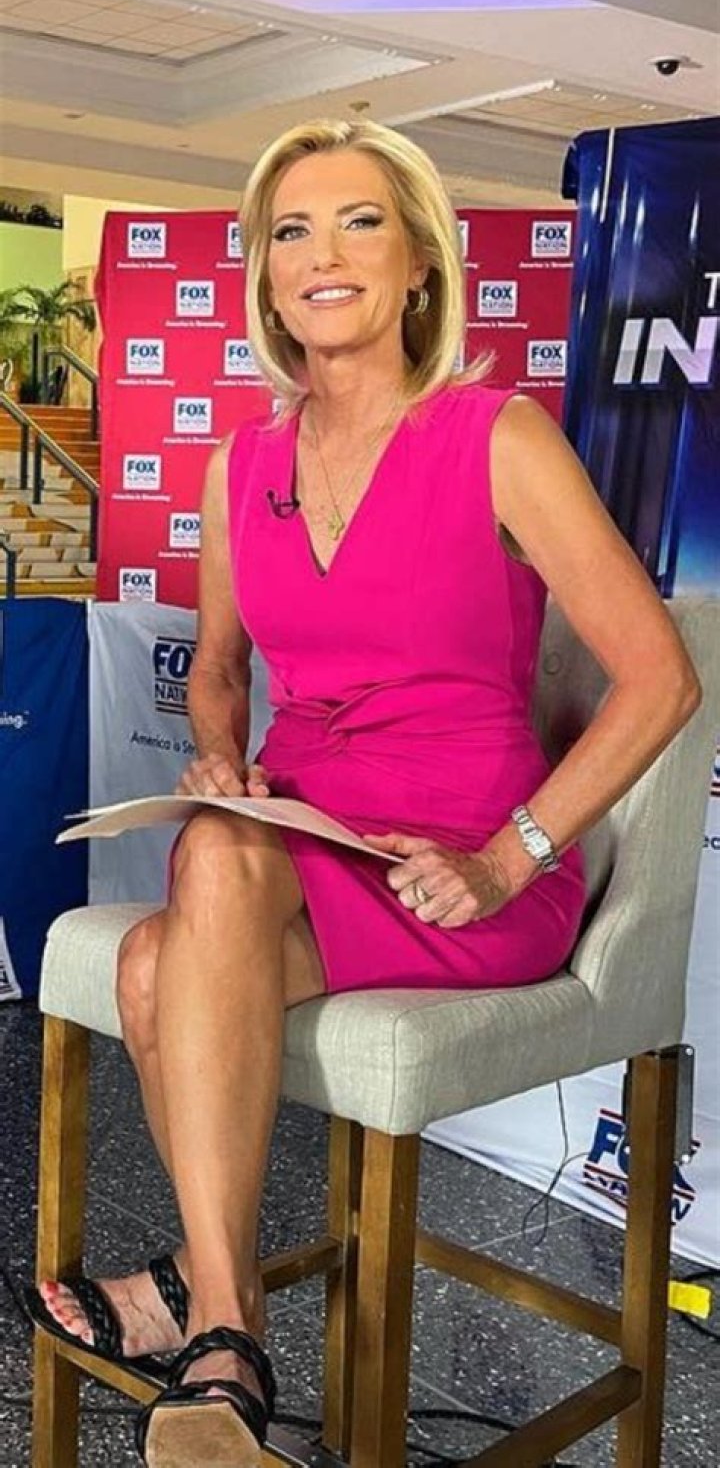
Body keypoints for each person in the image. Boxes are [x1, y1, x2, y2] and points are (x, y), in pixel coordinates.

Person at [29, 120, 702, 1466]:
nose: (322, 255)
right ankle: (227, 1324)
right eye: (292, 230)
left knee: (172, 948)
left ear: (418, 264)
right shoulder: (241, 465)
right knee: (204, 873)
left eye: (359, 222)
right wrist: (219, 752)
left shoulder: (498, 436)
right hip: (301, 834)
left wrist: (512, 856)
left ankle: (201, 1311)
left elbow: (660, 679)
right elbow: (220, 671)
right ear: (267, 277)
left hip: (463, 855)